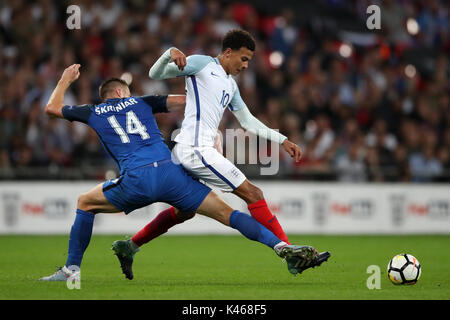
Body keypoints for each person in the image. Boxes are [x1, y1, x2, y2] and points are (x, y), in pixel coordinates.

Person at [39, 64, 320, 281]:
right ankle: (281, 248)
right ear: (119, 92)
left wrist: (65, 79)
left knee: (84, 203)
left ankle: (71, 270)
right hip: (171, 174)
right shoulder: (143, 102)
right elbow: (188, 100)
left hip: (136, 180)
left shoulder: (93, 111)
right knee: (229, 215)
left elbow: (51, 109)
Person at [112, 29, 330, 278]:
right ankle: (291, 254)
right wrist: (169, 53)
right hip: (196, 150)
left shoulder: (230, 84)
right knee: (253, 193)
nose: (246, 65)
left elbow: (247, 120)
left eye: (249, 60)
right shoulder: (202, 63)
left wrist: (282, 139)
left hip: (191, 149)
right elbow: (155, 73)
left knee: (185, 211)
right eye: (244, 58)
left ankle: (129, 246)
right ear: (228, 52)